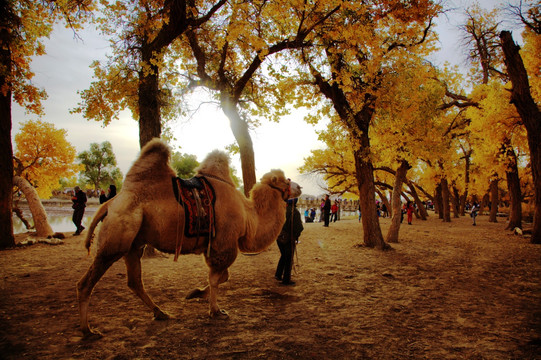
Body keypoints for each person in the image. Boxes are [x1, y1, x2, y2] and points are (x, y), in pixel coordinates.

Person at [275, 198, 304, 286]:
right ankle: (286, 280)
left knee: (283, 256)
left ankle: (278, 274)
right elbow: (299, 227)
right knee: (288, 259)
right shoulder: (295, 212)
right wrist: (296, 235)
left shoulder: (281, 210)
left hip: (279, 237)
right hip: (288, 238)